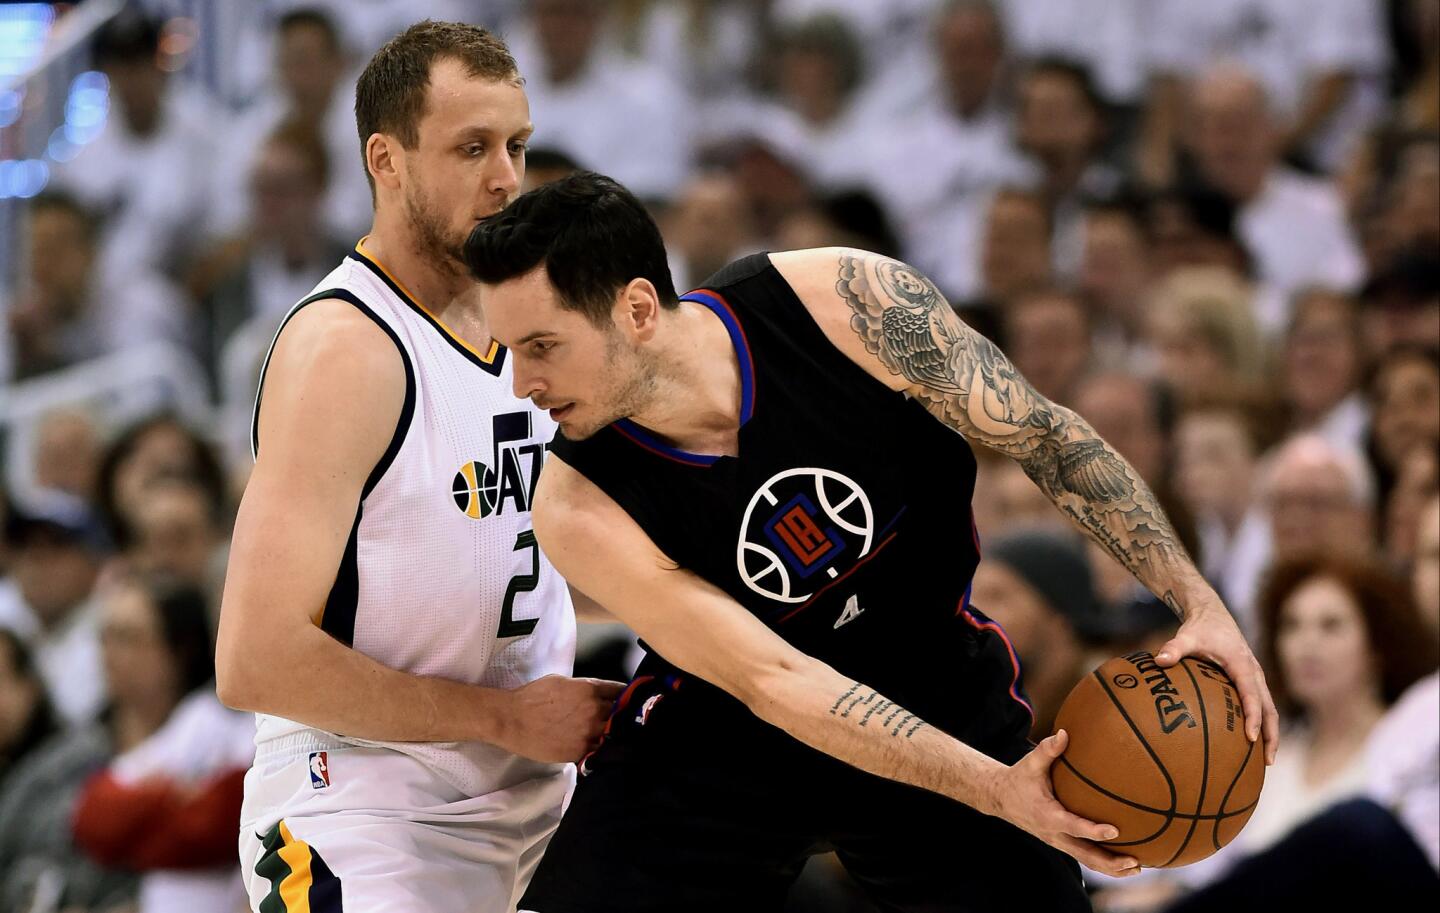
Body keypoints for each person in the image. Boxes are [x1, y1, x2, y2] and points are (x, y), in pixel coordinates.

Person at [466, 171, 1278, 913]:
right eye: (509, 351)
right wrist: (996, 789)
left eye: (541, 346)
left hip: (927, 677)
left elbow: (1045, 437)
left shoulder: (842, 301)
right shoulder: (576, 502)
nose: (519, 384)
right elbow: (775, 679)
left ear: (637, 310)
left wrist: (1197, 601)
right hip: (729, 733)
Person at [213, 22, 622, 913]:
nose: (508, 177)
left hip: (540, 791)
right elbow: (254, 658)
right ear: (385, 161)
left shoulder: (538, 325)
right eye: (471, 148)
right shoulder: (344, 350)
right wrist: (506, 716)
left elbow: (518, 554)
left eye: (517, 145)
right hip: (358, 797)